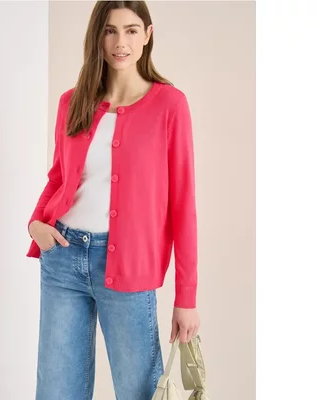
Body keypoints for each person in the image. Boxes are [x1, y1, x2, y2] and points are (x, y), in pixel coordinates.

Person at [27, 1, 200, 399]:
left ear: (148, 35)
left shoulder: (170, 105)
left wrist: (186, 297)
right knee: (56, 389)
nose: (120, 42)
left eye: (131, 30)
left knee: (139, 390)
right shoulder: (73, 101)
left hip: (129, 265)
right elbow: (59, 177)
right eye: (110, 31)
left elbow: (183, 204)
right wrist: (36, 223)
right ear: (98, 37)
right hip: (62, 256)